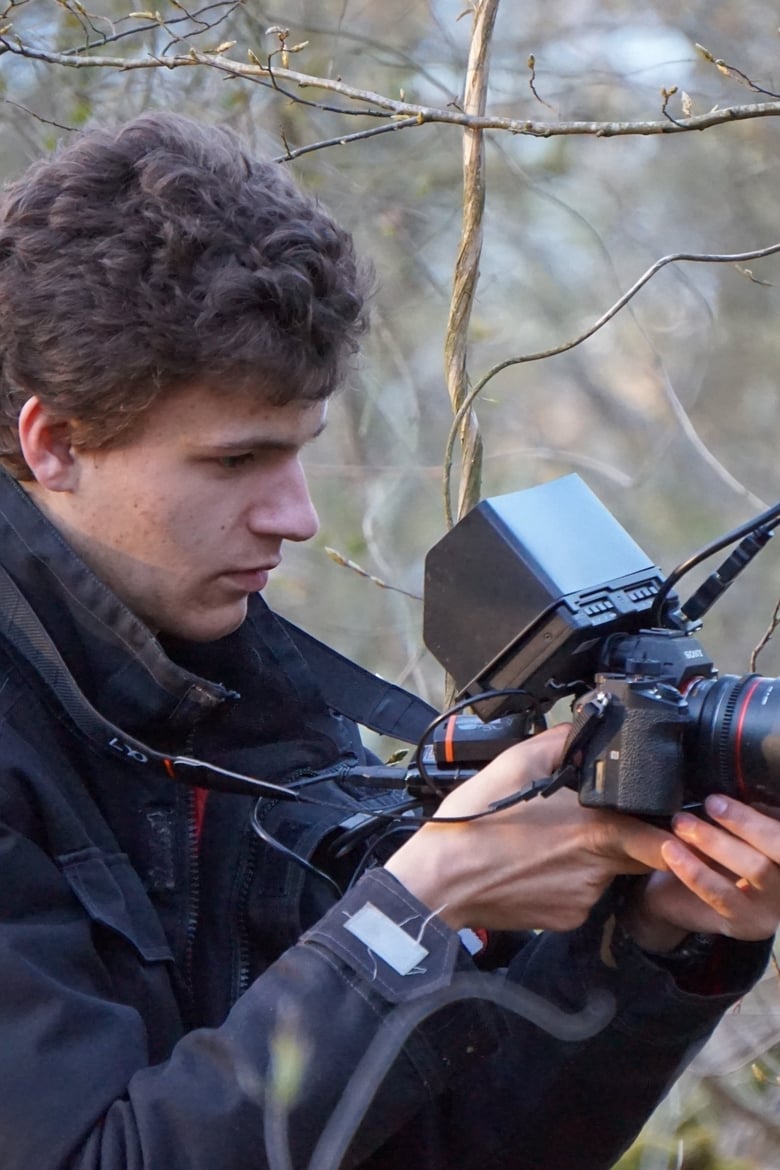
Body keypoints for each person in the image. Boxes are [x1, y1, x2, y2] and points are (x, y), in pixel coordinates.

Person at [0, 110, 776, 1170]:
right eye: (236, 461)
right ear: (56, 444)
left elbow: (446, 1148)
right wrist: (420, 906)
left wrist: (655, 937)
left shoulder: (231, 687)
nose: (297, 515)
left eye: (303, 450)